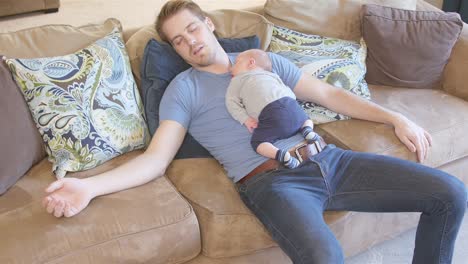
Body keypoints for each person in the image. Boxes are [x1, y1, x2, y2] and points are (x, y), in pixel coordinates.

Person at [42, 1, 467, 263]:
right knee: (324, 258)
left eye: (191, 28)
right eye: (176, 41)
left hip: (330, 159)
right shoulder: (182, 89)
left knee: (450, 194)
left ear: (208, 24)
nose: (188, 41)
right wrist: (90, 188)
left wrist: (395, 118)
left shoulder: (260, 59)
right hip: (274, 182)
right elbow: (155, 159)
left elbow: (328, 95)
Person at [226, 49, 317, 169]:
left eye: (236, 63)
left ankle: (280, 155)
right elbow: (287, 90)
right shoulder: (273, 75)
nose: (231, 68)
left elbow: (231, 103)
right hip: (292, 106)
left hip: (271, 113)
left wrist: (246, 119)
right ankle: (307, 129)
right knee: (306, 118)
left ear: (251, 63)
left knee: (257, 143)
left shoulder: (238, 79)